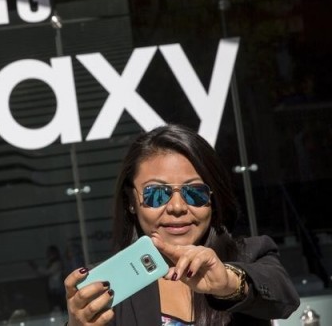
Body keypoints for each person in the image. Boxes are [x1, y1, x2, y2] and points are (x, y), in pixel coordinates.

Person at [64, 124, 300, 326]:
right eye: (157, 194)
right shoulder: (104, 286)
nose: (177, 207)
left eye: (194, 193)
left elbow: (284, 297)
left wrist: (229, 283)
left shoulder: (250, 254)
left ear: (212, 199)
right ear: (131, 202)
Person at [30, 245, 67, 312]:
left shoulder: (57, 263)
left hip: (57, 289)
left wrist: (36, 267)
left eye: (50, 253)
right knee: (56, 306)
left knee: (59, 306)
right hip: (54, 289)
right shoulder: (52, 263)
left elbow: (47, 272)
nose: (48, 255)